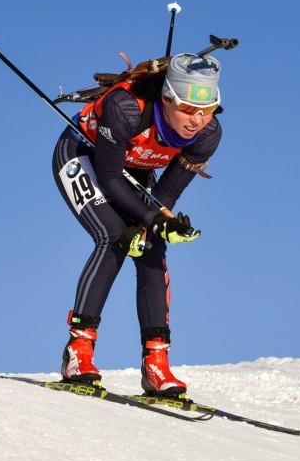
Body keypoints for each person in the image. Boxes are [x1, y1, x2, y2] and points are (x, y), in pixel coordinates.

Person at [52, 53, 222, 398]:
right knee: (114, 237)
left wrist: (156, 222)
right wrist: (149, 219)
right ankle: (78, 351)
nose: (197, 121)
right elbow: (111, 178)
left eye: (206, 111)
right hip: (83, 154)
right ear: (167, 98)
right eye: (188, 109)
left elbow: (167, 192)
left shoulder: (209, 135)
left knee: (152, 244)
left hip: (134, 170)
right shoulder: (126, 108)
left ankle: (156, 362)